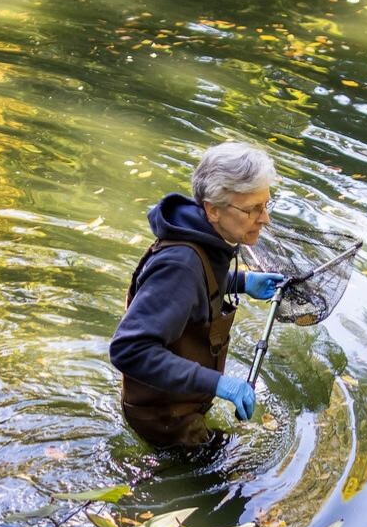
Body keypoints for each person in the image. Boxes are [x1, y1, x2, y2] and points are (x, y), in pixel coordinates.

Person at [109, 142, 285, 449]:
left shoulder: (206, 240)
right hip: (164, 419)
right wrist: (219, 384)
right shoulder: (180, 265)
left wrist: (241, 282)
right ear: (213, 209)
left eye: (265, 205)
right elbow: (129, 350)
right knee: (240, 481)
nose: (264, 219)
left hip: (179, 406)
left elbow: (193, 290)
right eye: (252, 209)